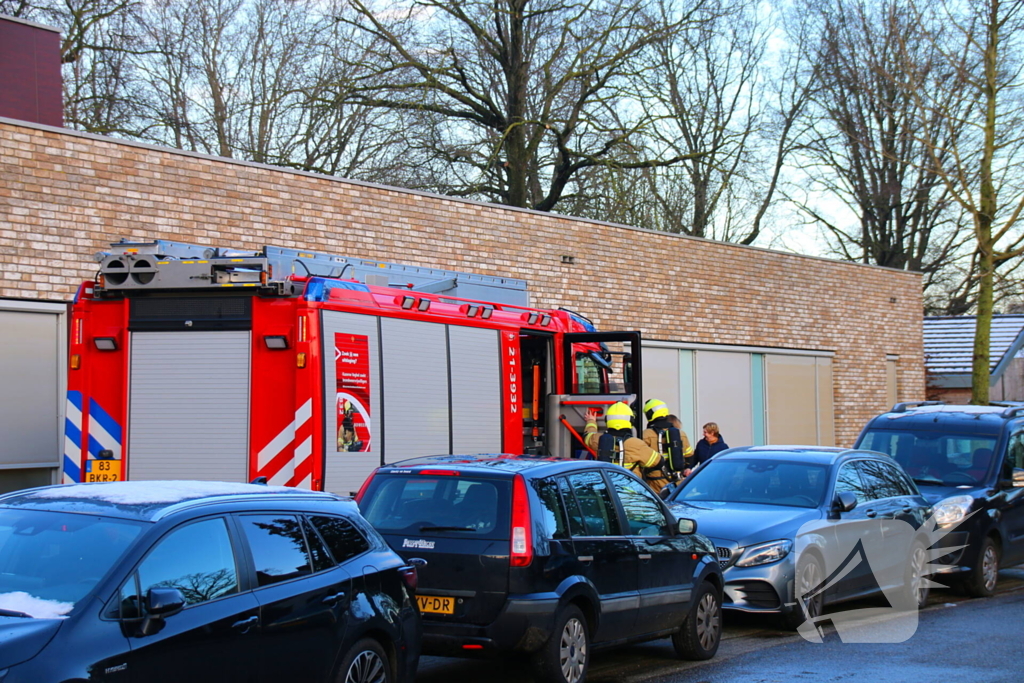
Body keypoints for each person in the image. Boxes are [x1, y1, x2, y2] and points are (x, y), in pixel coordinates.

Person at [583, 402, 668, 495]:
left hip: (607, 492)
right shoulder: (636, 444)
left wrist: (591, 421)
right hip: (631, 495)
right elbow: (658, 461)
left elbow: (588, 436)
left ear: (607, 420)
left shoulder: (597, 440)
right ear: (630, 421)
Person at [641, 399, 694, 483]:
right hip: (677, 482)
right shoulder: (681, 433)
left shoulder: (646, 435)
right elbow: (689, 456)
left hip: (655, 482)